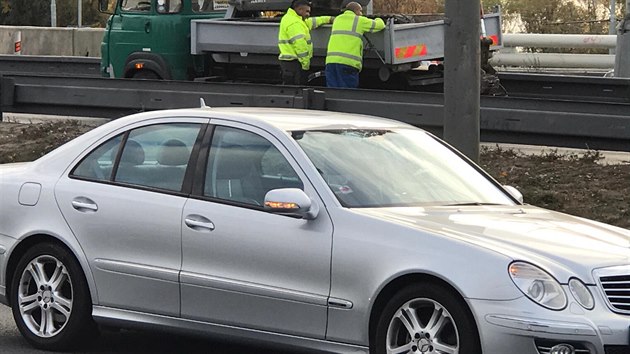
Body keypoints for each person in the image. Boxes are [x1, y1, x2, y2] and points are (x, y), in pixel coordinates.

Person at [325, 1, 385, 88]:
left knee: (333, 92)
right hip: (347, 64)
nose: (361, 14)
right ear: (356, 11)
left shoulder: (337, 19)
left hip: (331, 62)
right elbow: (380, 25)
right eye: (360, 11)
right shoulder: (359, 20)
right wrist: (378, 18)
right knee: (348, 93)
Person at [278, 0, 334, 85]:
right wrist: (305, 65)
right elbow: (300, 45)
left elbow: (311, 22)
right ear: (300, 10)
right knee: (298, 89)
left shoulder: (293, 19)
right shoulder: (295, 23)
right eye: (307, 11)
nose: (308, 14)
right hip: (295, 63)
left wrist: (329, 19)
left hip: (290, 63)